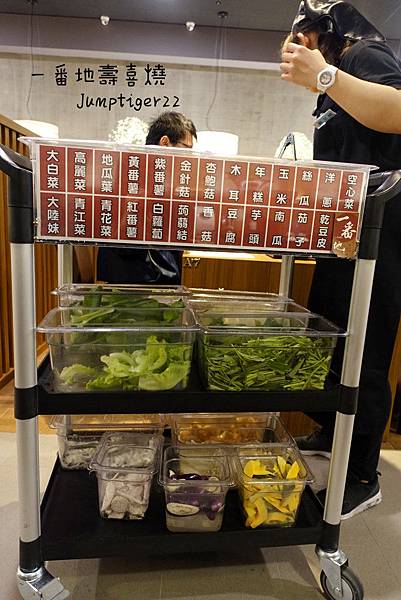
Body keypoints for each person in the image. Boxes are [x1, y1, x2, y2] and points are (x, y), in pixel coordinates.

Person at [280, 1, 401, 518]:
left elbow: (398, 109)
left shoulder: (365, 55)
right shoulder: (339, 78)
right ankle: (334, 434)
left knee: (365, 352)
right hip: (346, 236)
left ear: (325, 31)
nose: (299, 51)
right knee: (332, 336)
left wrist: (325, 74)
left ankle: (363, 475)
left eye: (303, 40)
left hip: (381, 236)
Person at [96, 111, 197, 284]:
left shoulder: (155, 173)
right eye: (186, 149)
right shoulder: (136, 171)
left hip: (138, 273)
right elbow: (123, 235)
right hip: (136, 279)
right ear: (165, 142)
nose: (189, 158)